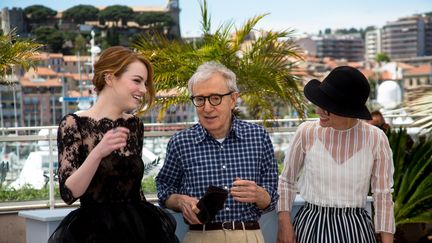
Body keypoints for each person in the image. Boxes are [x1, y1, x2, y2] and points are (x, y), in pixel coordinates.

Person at [49, 46, 179, 243]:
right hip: (93, 232)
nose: (143, 90)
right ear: (110, 78)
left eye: (145, 83)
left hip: (139, 227)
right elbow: (69, 194)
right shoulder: (73, 124)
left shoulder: (134, 125)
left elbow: (134, 187)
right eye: (137, 81)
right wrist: (98, 152)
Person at [156, 61, 279, 243]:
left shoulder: (258, 137)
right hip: (201, 236)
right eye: (199, 99)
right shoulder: (180, 142)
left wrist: (261, 196)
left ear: (233, 99)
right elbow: (164, 190)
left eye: (215, 98)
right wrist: (180, 201)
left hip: (248, 235)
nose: (207, 108)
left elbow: (272, 196)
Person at [277, 66, 395, 243]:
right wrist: (284, 224)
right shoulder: (306, 132)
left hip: (356, 230)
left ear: (347, 111)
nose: (318, 111)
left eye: (327, 107)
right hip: (311, 227)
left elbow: (382, 196)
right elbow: (286, 180)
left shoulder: (376, 138)